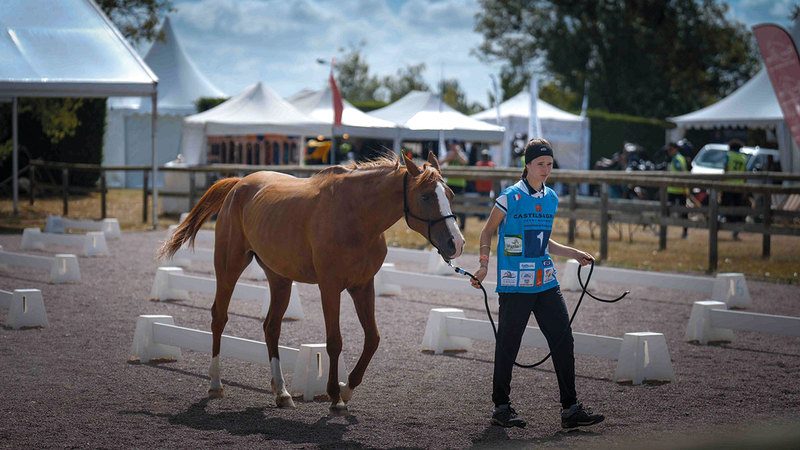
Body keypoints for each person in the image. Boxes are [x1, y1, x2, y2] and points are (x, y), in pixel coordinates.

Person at [470, 138, 605, 430]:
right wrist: (483, 265)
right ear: (527, 165)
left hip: (545, 281)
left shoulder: (551, 198)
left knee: (563, 339)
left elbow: (543, 241)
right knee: (509, 344)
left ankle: (570, 408)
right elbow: (486, 232)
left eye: (549, 164)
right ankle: (501, 407)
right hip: (515, 284)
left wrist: (573, 252)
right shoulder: (510, 196)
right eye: (540, 164)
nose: (546, 169)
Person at [666, 141, 697, 238]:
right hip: (680, 189)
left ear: (676, 149)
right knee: (683, 212)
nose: (669, 151)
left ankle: (664, 231)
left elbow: (681, 172)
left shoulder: (676, 159)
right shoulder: (681, 158)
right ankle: (685, 232)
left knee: (667, 211)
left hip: (675, 190)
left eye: (671, 149)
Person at [721, 139, 748, 240]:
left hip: (729, 186)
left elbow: (726, 170)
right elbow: (745, 174)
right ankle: (736, 229)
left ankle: (728, 225)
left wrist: (722, 184)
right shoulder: (743, 157)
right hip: (740, 187)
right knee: (737, 208)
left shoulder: (728, 155)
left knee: (727, 206)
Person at [441, 142, 469, 229]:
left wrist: (458, 153)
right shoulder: (449, 154)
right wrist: (450, 157)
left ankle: (462, 226)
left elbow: (464, 162)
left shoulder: (463, 154)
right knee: (449, 206)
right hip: (450, 184)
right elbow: (440, 162)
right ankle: (450, 224)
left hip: (460, 185)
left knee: (461, 206)